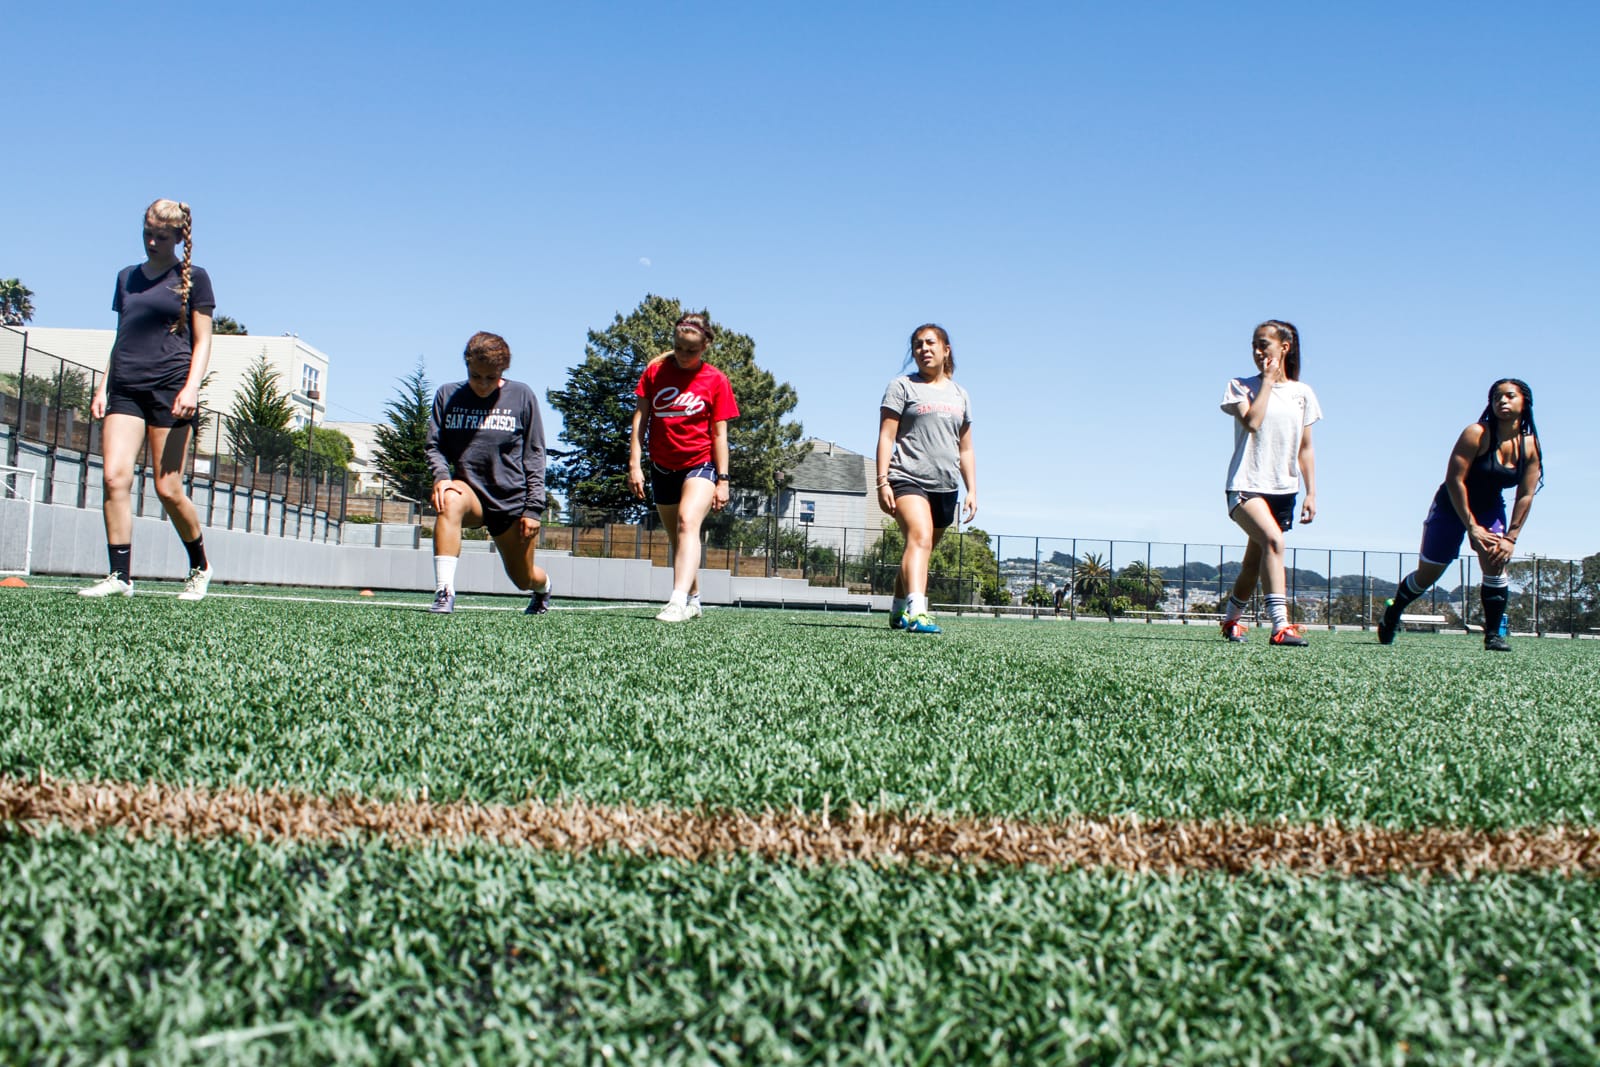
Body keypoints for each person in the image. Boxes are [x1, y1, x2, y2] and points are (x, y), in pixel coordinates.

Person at [80, 199, 216, 600]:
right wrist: (103, 386)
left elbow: (204, 339)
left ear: (178, 236)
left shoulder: (195, 278)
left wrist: (192, 387)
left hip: (170, 389)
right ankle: (120, 575)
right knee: (113, 477)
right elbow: (122, 334)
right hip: (125, 387)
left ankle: (200, 566)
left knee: (167, 487)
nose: (152, 242)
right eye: (147, 234)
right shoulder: (126, 277)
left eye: (160, 236)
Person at [1379, 379, 1543, 651]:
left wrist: (1510, 538)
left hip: (1489, 507)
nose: (1502, 401)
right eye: (1496, 397)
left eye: (1509, 396)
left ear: (1524, 402)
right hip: (1451, 505)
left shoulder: (1529, 446)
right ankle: (1394, 609)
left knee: (1495, 561)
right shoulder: (1476, 433)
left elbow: (1526, 494)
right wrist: (1472, 526)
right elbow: (1455, 480)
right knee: (1427, 576)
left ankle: (1493, 636)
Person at [424, 331, 552, 615]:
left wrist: (533, 509)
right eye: (475, 376)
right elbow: (434, 447)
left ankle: (543, 589)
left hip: (511, 501)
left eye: (490, 378)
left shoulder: (522, 395)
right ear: (467, 367)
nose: (482, 384)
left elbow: (534, 454)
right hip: (469, 493)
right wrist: (442, 478)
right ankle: (444, 591)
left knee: (523, 578)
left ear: (502, 371)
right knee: (449, 500)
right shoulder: (447, 395)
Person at [628, 312, 739, 622]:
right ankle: (694, 597)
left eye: (691, 350)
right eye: (679, 348)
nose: (684, 355)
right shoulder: (654, 373)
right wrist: (634, 464)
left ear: (705, 347)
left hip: (700, 464)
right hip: (662, 466)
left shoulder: (715, 380)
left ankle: (676, 601)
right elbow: (640, 421)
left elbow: (719, 434)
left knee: (688, 522)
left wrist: (724, 481)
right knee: (679, 537)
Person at [1217, 320, 1321, 646]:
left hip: (1283, 491)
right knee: (1274, 541)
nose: (1258, 351)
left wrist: (1312, 493)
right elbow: (1252, 422)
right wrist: (1266, 381)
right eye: (1254, 345)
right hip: (1245, 486)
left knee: (1254, 561)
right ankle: (1280, 626)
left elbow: (1305, 448)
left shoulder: (1303, 394)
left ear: (1284, 348)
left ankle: (1231, 621)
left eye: (1265, 344)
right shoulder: (1240, 386)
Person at [876, 324, 977, 635]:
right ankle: (918, 611)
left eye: (930, 343)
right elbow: (886, 436)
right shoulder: (902, 386)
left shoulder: (960, 394)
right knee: (918, 538)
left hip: (946, 486)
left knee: (920, 548)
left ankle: (896, 610)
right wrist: (882, 481)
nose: (924, 349)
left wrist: (972, 489)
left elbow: (966, 448)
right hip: (907, 477)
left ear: (946, 350)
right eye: (918, 345)